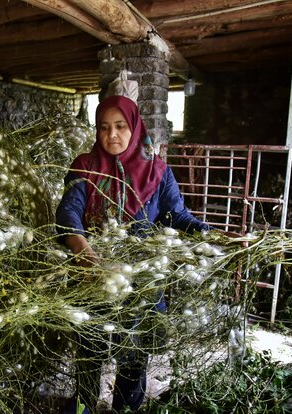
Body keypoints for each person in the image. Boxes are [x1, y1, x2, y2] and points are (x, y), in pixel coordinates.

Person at [56, 94, 210, 413]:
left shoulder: (157, 171)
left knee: (134, 351)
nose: (112, 135)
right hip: (95, 275)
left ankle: (125, 407)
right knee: (90, 346)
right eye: (104, 127)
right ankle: (84, 403)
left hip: (142, 279)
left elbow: (176, 215)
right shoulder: (84, 167)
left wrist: (211, 233)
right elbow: (69, 210)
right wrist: (84, 251)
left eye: (120, 126)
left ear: (135, 127)